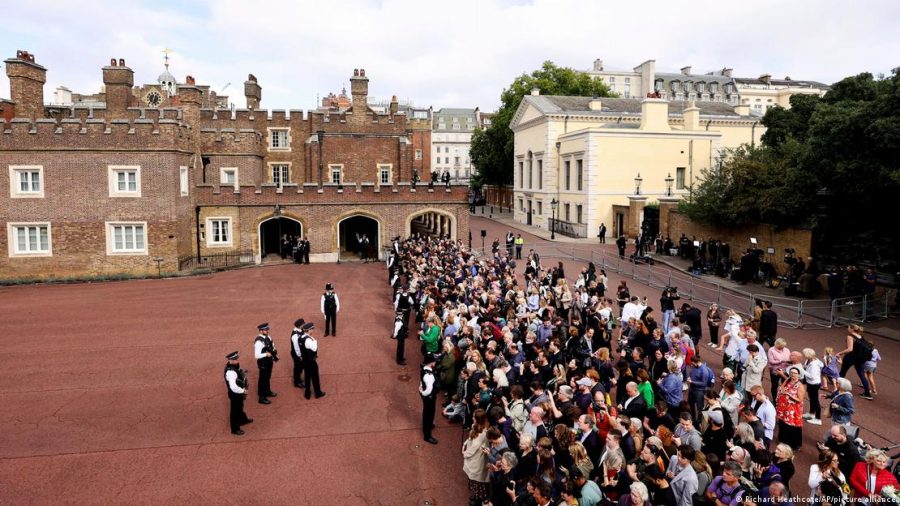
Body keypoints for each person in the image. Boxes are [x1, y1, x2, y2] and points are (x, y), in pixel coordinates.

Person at [836, 324, 874, 400]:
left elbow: (850, 349)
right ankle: (867, 393)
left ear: (852, 329)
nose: (848, 329)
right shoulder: (860, 336)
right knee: (862, 375)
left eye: (848, 327)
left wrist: (840, 353)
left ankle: (836, 387)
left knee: (842, 372)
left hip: (850, 357)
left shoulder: (850, 336)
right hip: (860, 358)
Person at [224, 351, 252, 435]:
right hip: (235, 394)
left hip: (237, 393)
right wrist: (243, 391)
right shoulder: (231, 372)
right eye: (236, 360)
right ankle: (235, 429)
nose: (237, 361)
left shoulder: (232, 366)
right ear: (231, 360)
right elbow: (233, 387)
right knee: (235, 411)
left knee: (240, 406)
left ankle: (243, 420)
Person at [253, 322, 278, 404]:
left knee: (267, 377)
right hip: (263, 363)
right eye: (265, 329)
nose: (267, 330)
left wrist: (274, 353)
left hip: (269, 361)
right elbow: (256, 355)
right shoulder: (258, 342)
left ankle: (267, 391)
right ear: (260, 331)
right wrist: (266, 354)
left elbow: (272, 345)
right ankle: (261, 397)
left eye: (267, 329)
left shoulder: (268, 337)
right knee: (262, 380)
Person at [301, 322, 325, 400]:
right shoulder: (309, 340)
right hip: (311, 361)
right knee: (315, 377)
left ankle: (307, 394)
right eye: (312, 329)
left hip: (305, 361)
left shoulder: (300, 337)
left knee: (307, 377)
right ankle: (318, 393)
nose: (313, 331)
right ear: (308, 330)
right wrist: (314, 340)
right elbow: (314, 348)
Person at [420, 353, 439, 444]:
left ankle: (429, 425)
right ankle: (427, 435)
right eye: (434, 361)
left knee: (428, 412)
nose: (435, 363)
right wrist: (423, 393)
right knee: (429, 414)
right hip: (429, 397)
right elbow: (428, 390)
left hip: (428, 396)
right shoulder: (429, 375)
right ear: (431, 363)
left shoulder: (424, 369)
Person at [289, 318, 306, 388]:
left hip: (300, 353)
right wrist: (300, 356)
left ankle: (298, 378)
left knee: (300, 367)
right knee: (297, 368)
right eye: (303, 324)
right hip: (297, 354)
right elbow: (296, 347)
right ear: (300, 326)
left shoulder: (300, 331)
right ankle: (297, 382)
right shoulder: (295, 335)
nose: (304, 325)